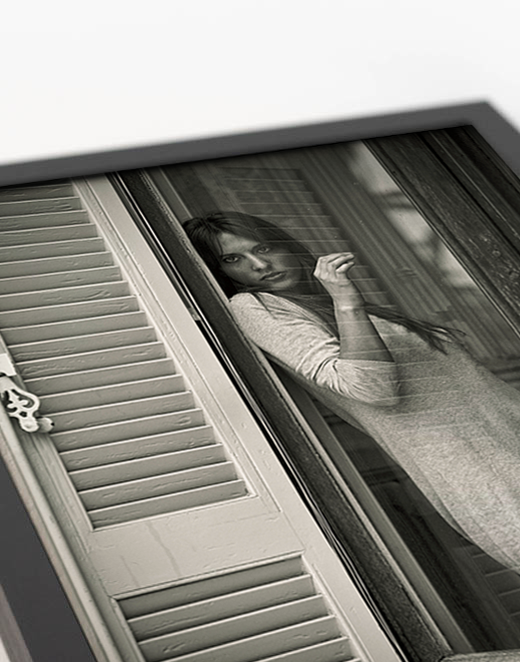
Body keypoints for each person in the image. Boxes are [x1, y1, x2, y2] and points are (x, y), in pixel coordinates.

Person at [184, 211, 520, 573]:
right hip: (482, 470)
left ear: (285, 245)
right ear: (221, 271)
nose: (260, 265)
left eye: (263, 248)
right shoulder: (256, 306)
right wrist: (346, 299)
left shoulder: (333, 307)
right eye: (233, 259)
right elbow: (372, 388)